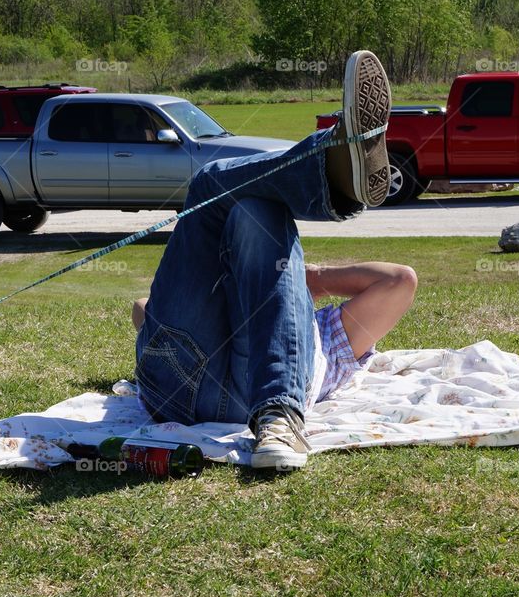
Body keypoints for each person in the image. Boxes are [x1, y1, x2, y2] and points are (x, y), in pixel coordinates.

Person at [130, 51, 418, 471]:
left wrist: (302, 280)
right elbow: (398, 281)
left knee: (249, 207)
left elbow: (401, 282)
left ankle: (333, 164)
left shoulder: (323, 337)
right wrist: (300, 279)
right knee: (235, 196)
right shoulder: (320, 337)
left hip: (185, 387)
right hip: (188, 380)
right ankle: (334, 168)